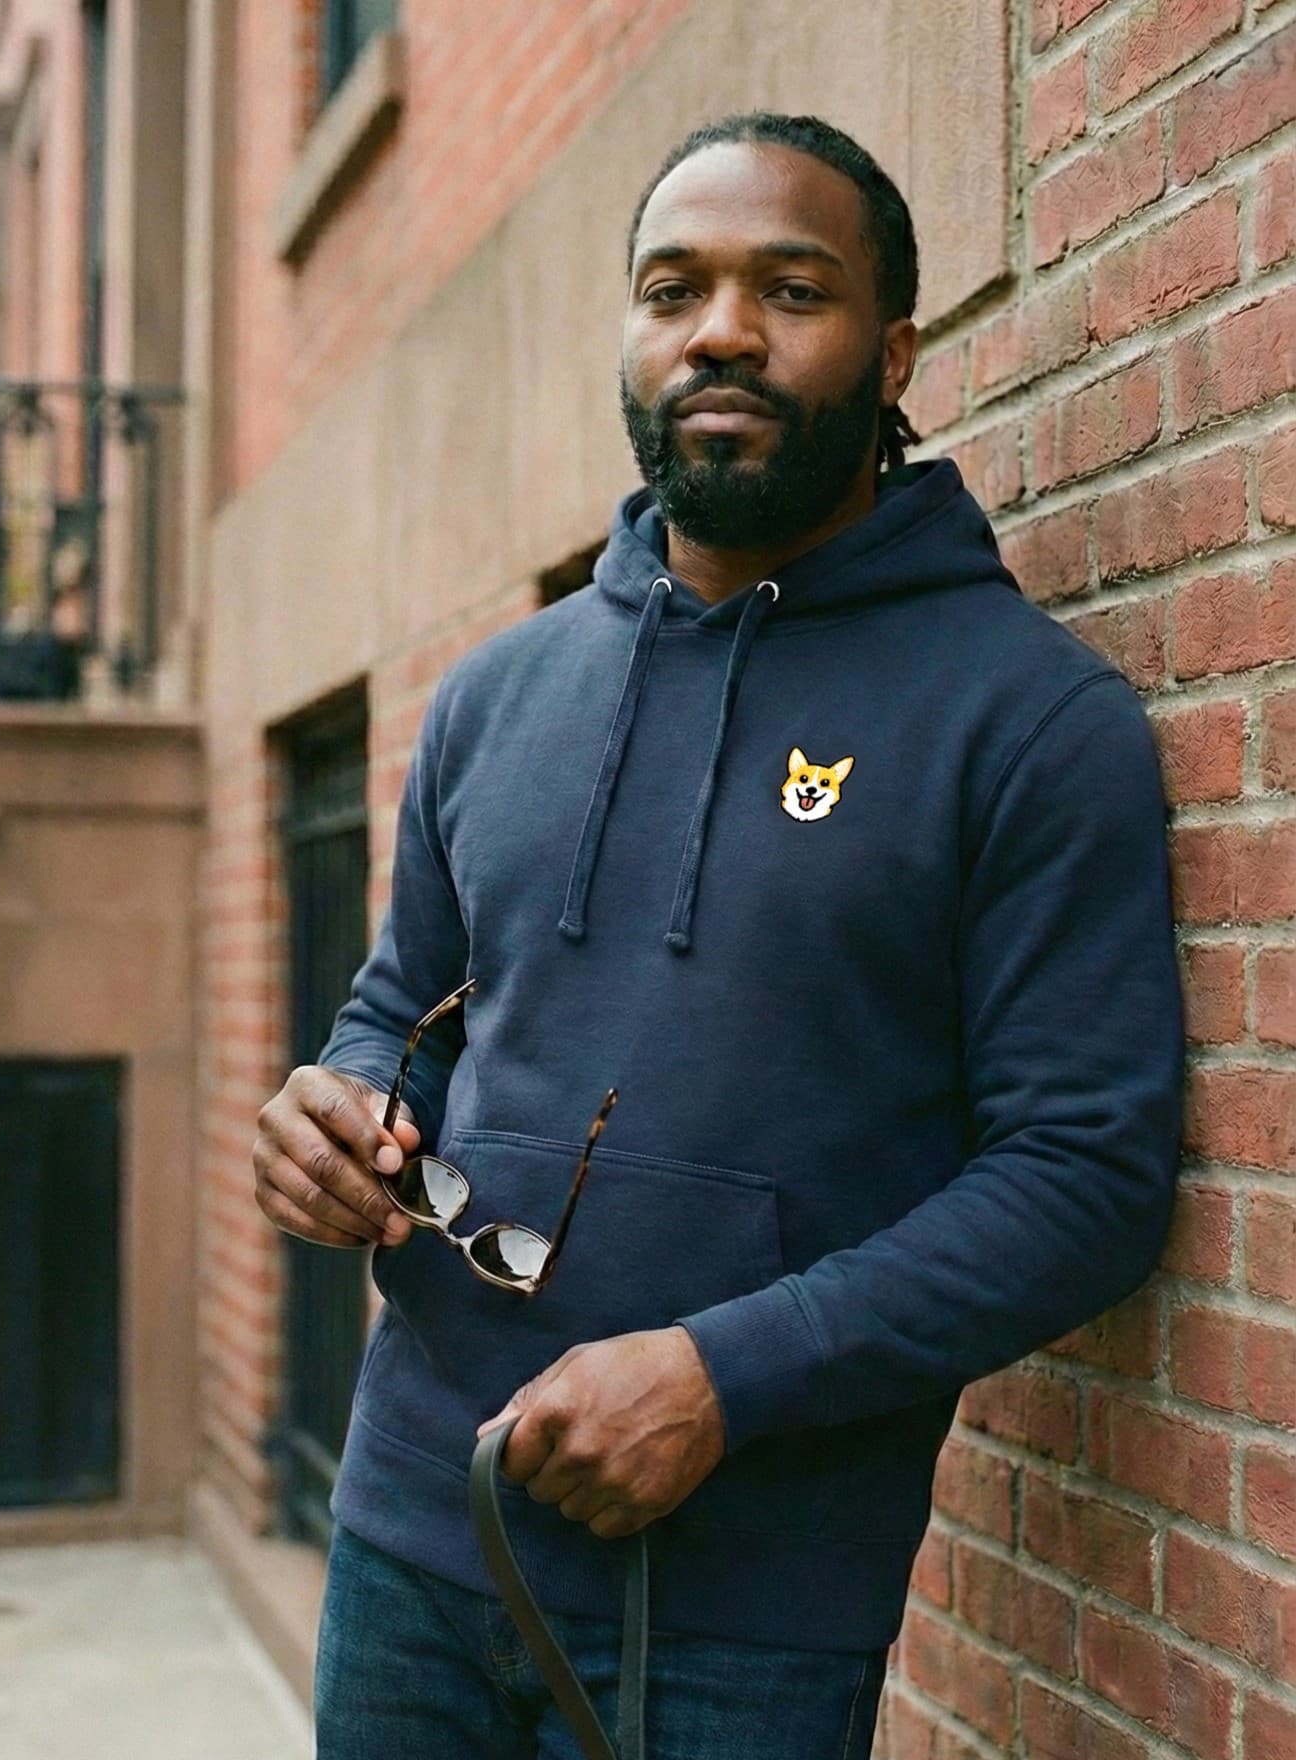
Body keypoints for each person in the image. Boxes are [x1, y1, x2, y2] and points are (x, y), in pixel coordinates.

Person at [253, 110, 1186, 1759]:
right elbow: (404, 1002)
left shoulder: (1029, 720)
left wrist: (719, 1377)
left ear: (895, 350)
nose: (722, 331)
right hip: (411, 1530)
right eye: (672, 289)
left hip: (745, 1615)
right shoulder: (497, 696)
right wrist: (332, 1107)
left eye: (791, 289)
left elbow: (1086, 1178)